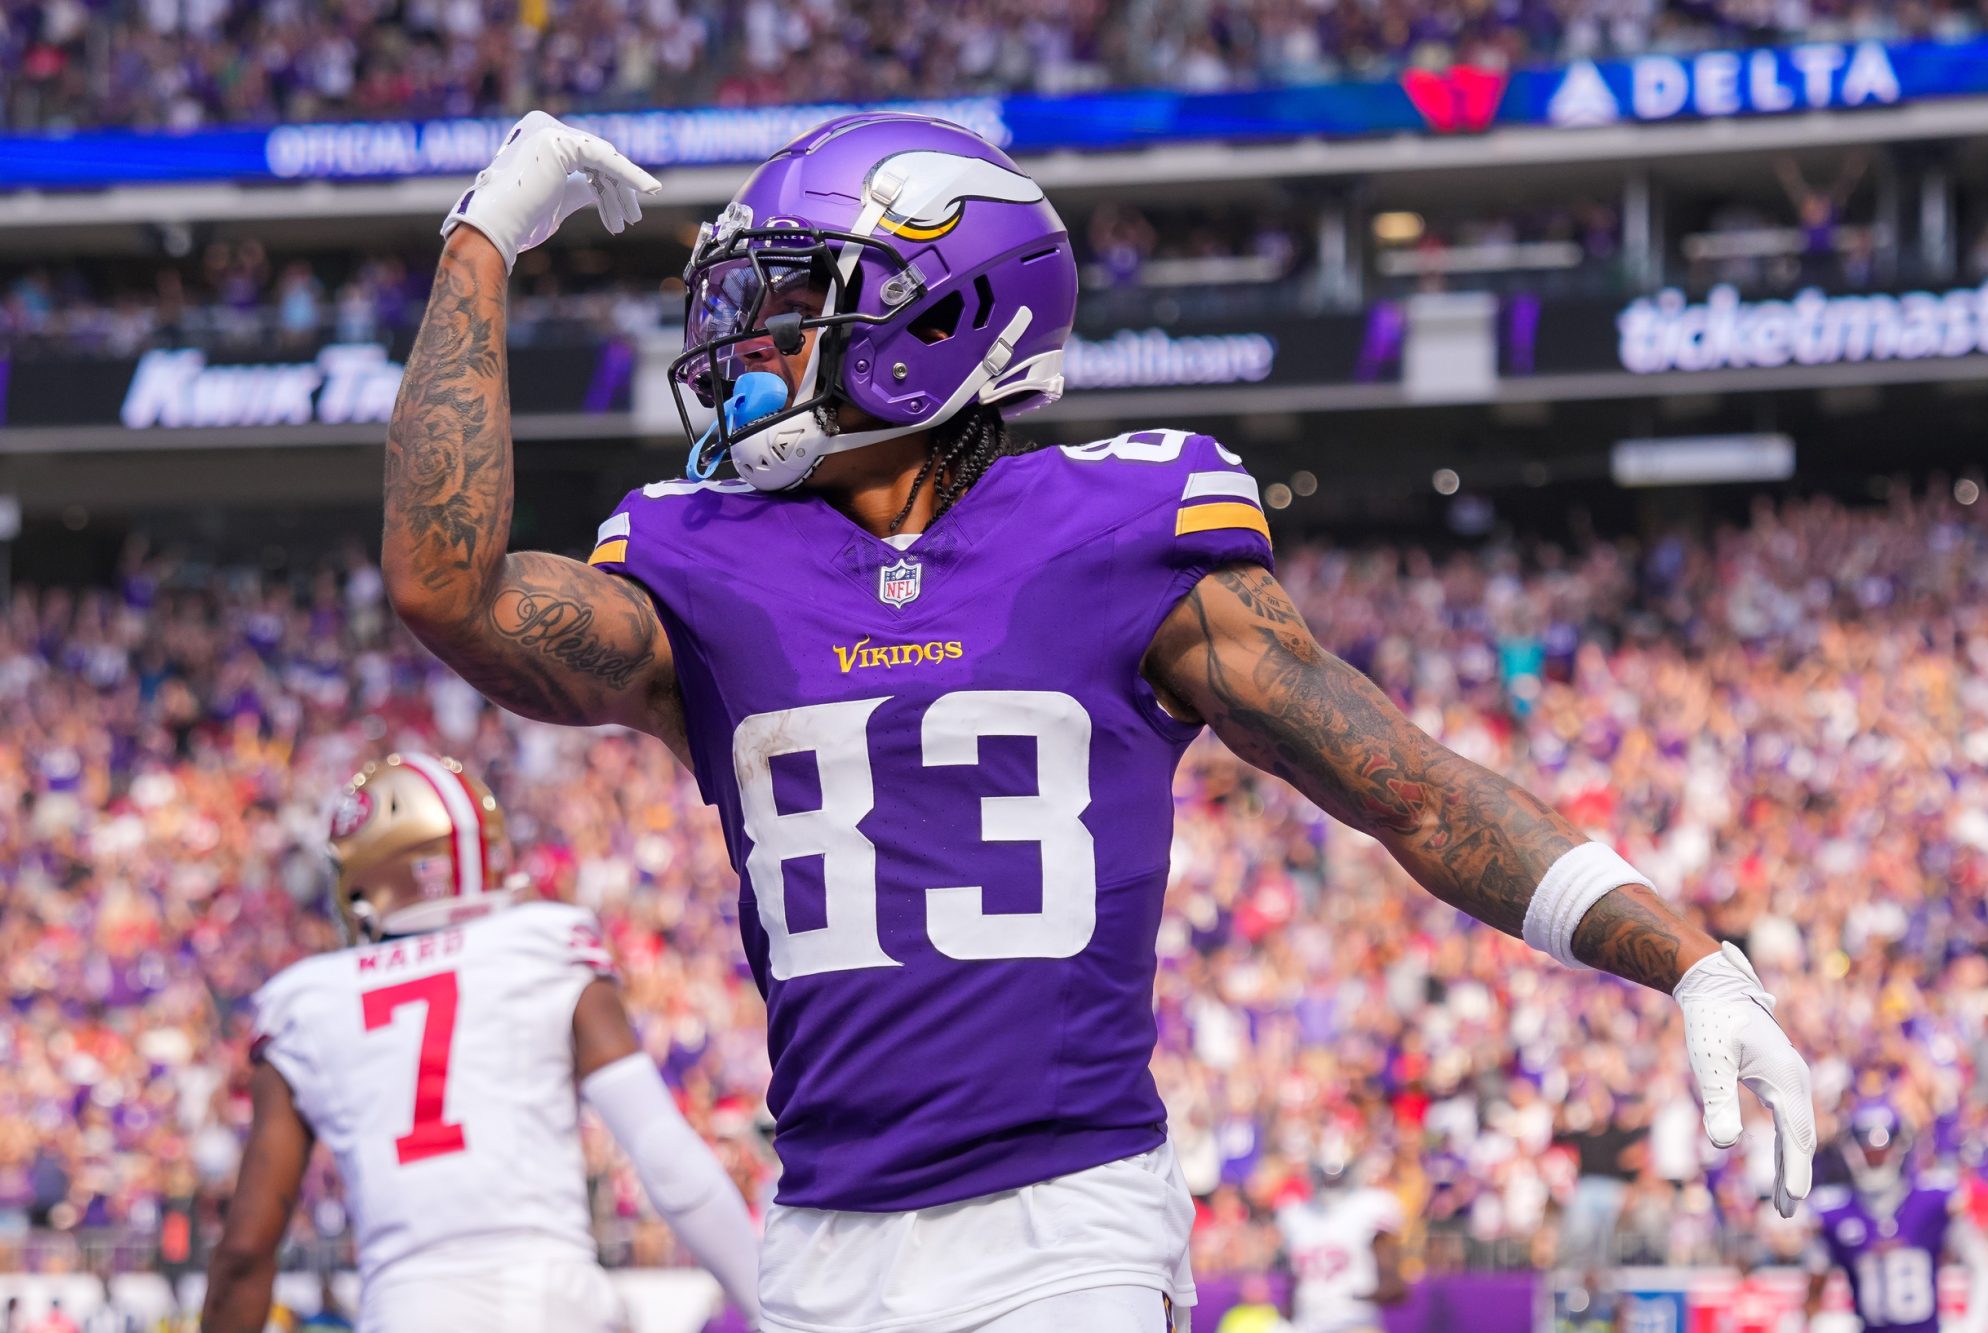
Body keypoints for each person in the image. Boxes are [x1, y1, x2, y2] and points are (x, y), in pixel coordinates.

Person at [380, 109, 1818, 1333]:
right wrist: (480, 240)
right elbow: (444, 587)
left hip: (1063, 1227)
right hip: (821, 1231)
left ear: (935, 316)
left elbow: (1414, 792)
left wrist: (1693, 960)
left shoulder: (1119, 529)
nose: (751, 344)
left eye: (794, 300)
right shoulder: (703, 560)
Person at [199, 754, 762, 1333]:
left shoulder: (309, 1001)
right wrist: (772, 1314)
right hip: (555, 1305)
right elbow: (667, 1159)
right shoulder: (543, 943)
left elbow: (245, 1251)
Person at [1803, 1102, 1988, 1333]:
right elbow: (1814, 1289)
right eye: (1868, 1150)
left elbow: (1983, 1267)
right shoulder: (1832, 1212)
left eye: (1881, 1150)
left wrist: (1972, 1325)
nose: (1875, 1157)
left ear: (1900, 1146)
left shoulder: (1934, 1199)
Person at [1275, 1158, 1407, 1333]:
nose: (1330, 1181)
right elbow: (1293, 1283)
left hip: (1354, 1322)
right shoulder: (1295, 1214)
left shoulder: (1370, 1206)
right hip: (1307, 1324)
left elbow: (1395, 1286)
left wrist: (1354, 1296)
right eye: (1325, 1175)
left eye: (1336, 1176)